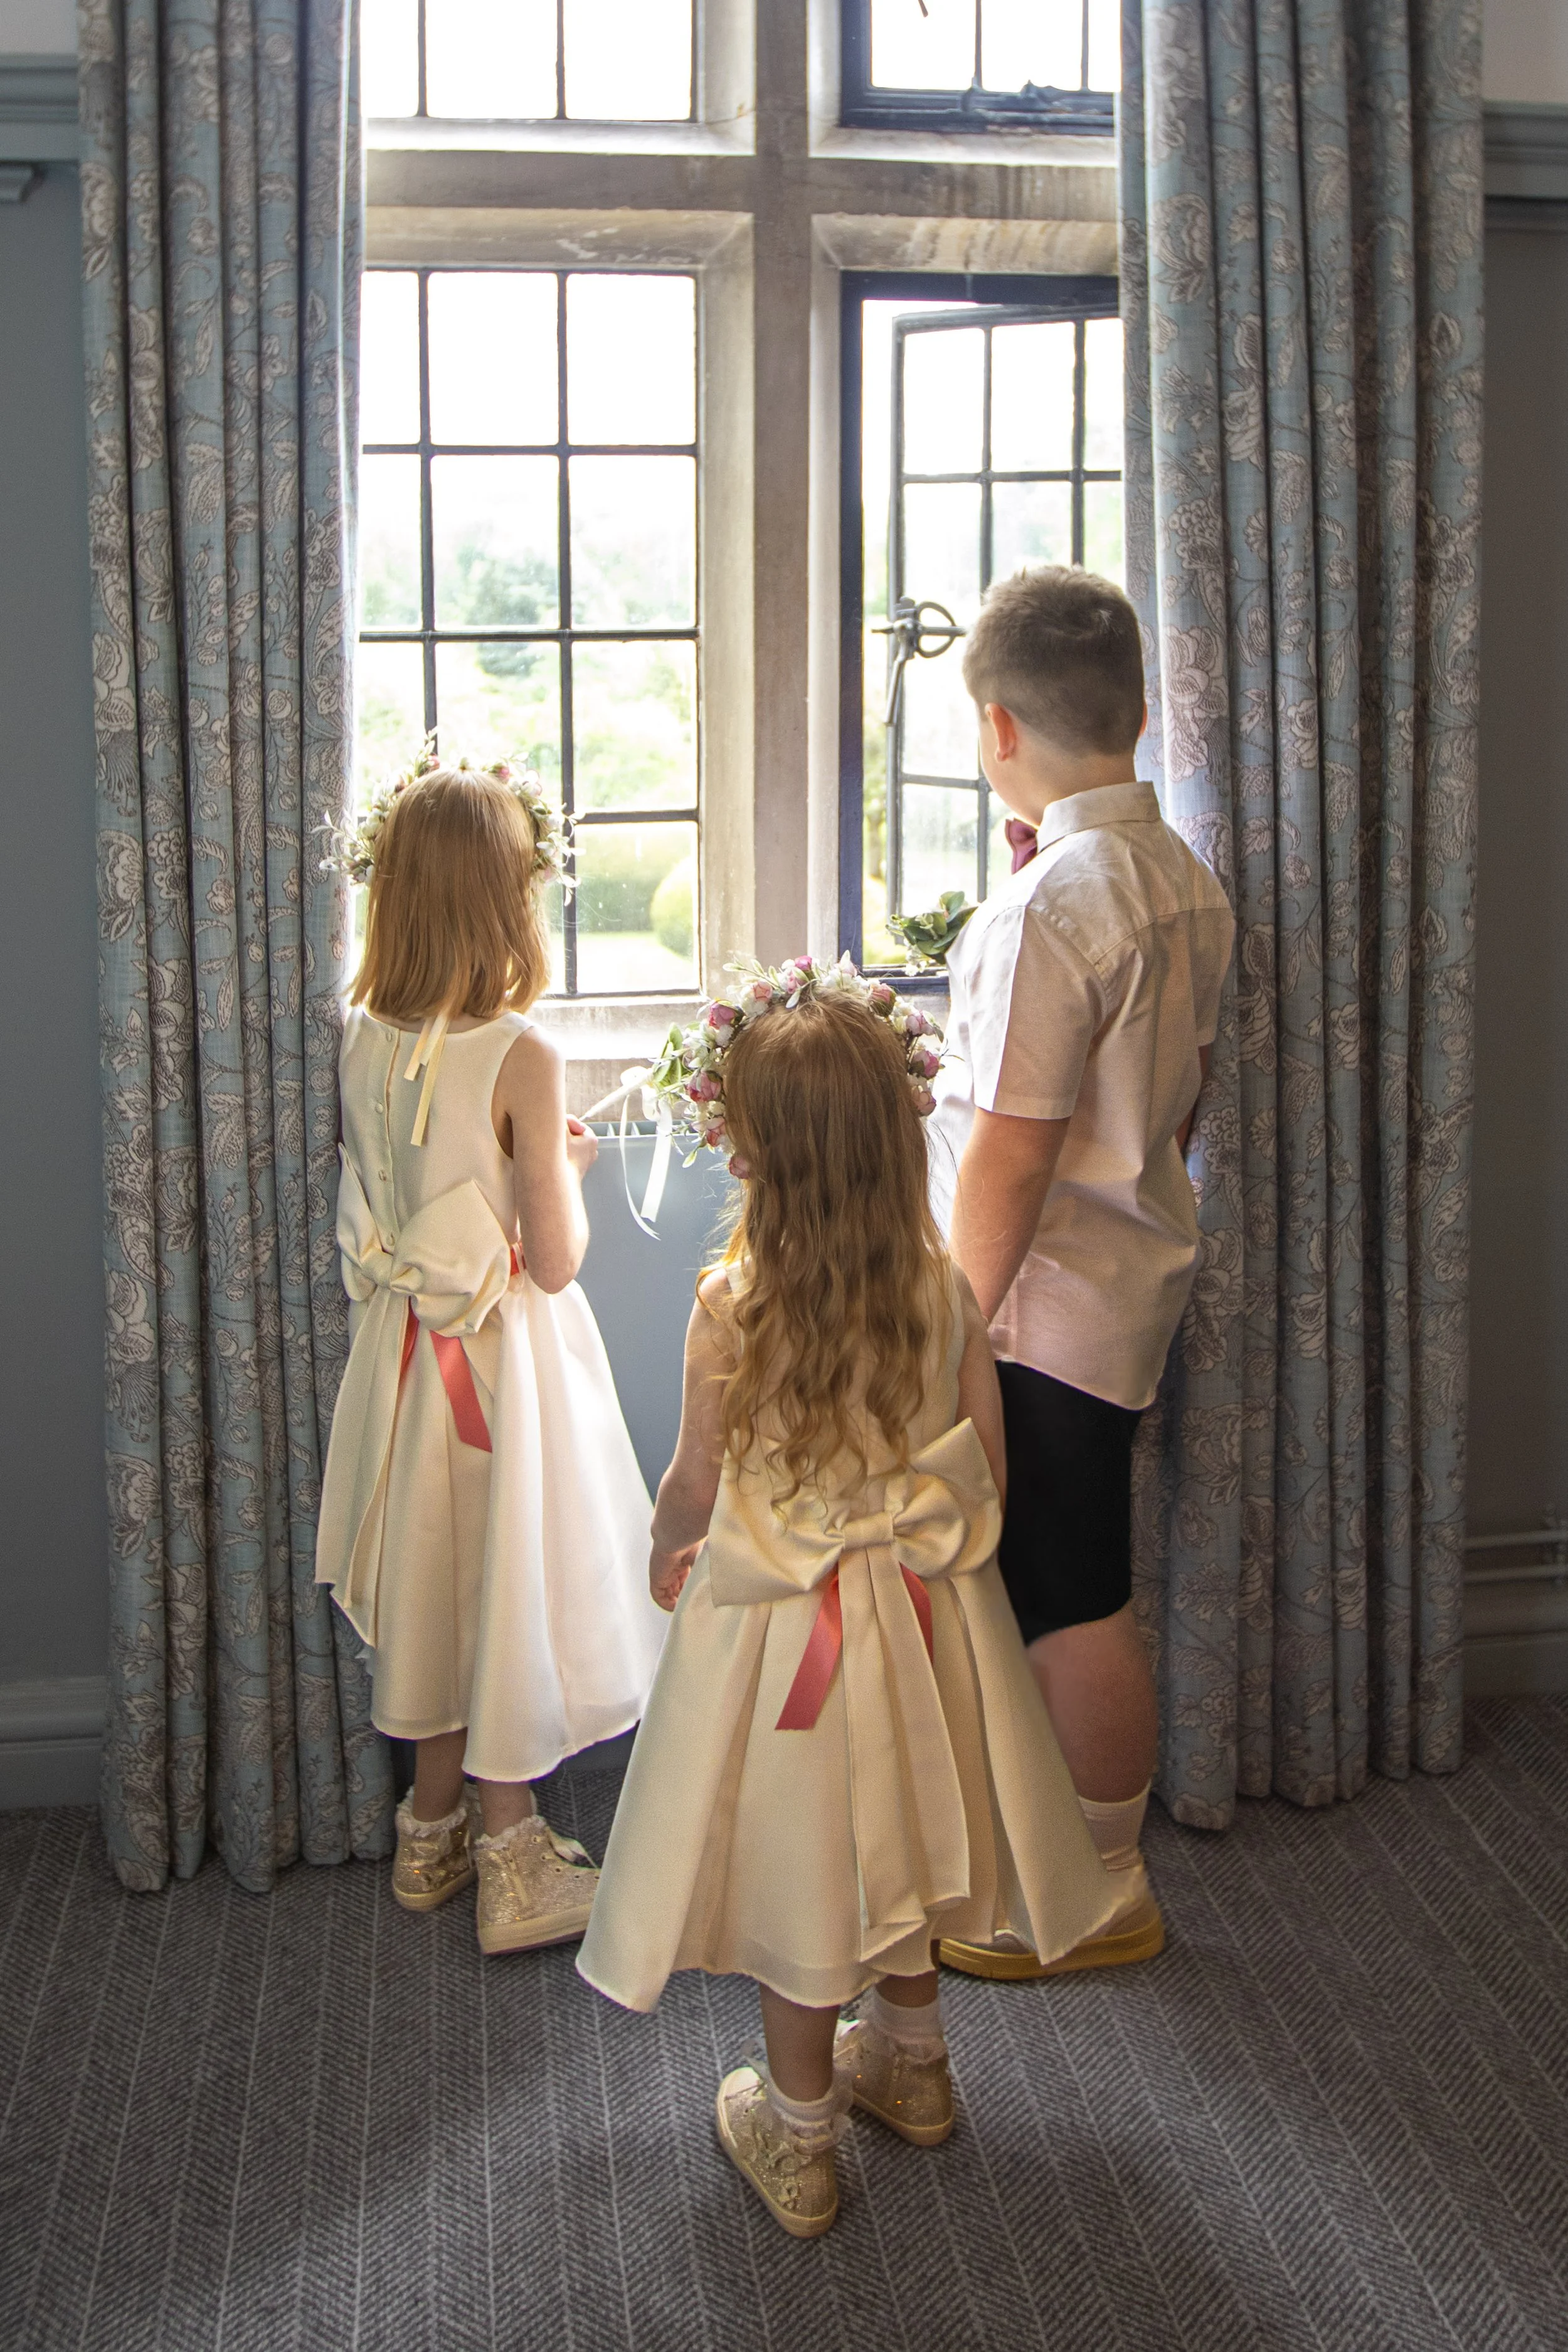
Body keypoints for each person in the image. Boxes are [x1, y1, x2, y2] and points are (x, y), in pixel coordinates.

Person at [577, 963, 1117, 2238]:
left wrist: (670, 1547)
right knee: (906, 1834)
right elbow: (981, 1458)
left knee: (803, 1865)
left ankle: (802, 2128)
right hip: (922, 1625)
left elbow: (694, 1477)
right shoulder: (945, 1293)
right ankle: (914, 2062)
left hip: (782, 1644)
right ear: (894, 1136)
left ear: (748, 1150)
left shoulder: (733, 1305)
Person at [927, 565, 1236, 1981]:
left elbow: (1007, 1153)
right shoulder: (1178, 874)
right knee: (1062, 1572)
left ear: (996, 725)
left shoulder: (1049, 906)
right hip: (1121, 1274)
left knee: (1066, 1587)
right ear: (1129, 710)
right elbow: (1177, 1096)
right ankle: (1066, 1849)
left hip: (1039, 1305)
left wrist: (945, 1323)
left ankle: (1102, 1880)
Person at [315, 753, 665, 1954]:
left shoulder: (361, 1032)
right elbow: (553, 1261)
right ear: (506, 900)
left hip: (403, 1358)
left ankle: (430, 1830)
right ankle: (515, 1852)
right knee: (508, 1579)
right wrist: (567, 1168)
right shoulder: (521, 1047)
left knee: (435, 1573)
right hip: (506, 1366)